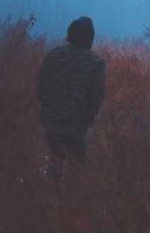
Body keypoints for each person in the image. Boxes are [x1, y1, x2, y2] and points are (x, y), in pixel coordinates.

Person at [37, 16, 105, 179]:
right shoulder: (96, 62)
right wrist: (87, 119)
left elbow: (41, 88)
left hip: (51, 119)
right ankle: (71, 200)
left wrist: (48, 110)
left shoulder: (53, 55)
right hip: (76, 123)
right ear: (90, 37)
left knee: (55, 159)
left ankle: (50, 197)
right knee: (77, 166)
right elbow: (95, 98)